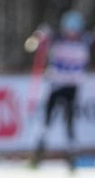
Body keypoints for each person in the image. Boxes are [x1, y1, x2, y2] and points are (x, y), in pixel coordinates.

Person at [28, 10, 91, 169]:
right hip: (56, 86)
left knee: (69, 121)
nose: (72, 33)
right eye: (69, 29)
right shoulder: (58, 40)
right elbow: (35, 43)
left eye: (75, 30)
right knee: (46, 120)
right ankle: (38, 154)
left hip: (72, 87)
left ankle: (71, 156)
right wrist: (40, 35)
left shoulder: (83, 42)